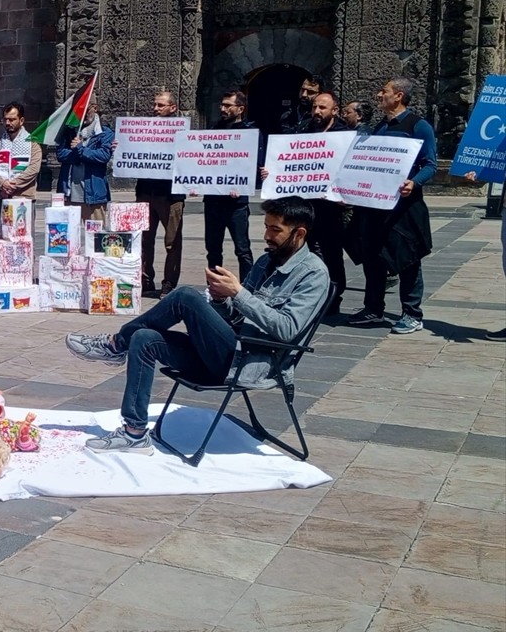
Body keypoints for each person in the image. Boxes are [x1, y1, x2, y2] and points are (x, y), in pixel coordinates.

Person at [65, 196, 329, 454]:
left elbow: (288, 329)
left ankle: (115, 345)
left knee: (185, 296)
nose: (267, 235)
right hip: (224, 350)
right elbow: (234, 316)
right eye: (266, 227)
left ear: (299, 233)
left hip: (248, 363)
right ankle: (134, 433)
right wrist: (220, 299)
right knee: (144, 338)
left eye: (275, 230)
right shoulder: (265, 262)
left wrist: (238, 293)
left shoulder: (313, 274)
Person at [348, 77, 437, 334]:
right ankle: (373, 309)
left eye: (384, 91)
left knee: (407, 259)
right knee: (373, 258)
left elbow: (430, 164)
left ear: (398, 95)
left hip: (404, 208)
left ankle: (412, 313)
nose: (379, 95)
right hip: (375, 207)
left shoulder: (418, 126)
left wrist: (414, 183)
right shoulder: (380, 127)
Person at [287, 92, 350, 313]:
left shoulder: (343, 135)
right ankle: (307, 295)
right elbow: (289, 160)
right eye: (315, 107)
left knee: (331, 252)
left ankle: (334, 296)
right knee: (302, 250)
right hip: (305, 206)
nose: (316, 111)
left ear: (335, 110)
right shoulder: (303, 130)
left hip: (330, 207)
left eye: (322, 107)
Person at [202, 90, 260, 282]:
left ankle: (247, 287)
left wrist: (243, 184)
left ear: (240, 109)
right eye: (222, 104)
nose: (223, 109)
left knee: (242, 249)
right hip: (213, 201)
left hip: (236, 204)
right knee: (213, 250)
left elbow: (255, 164)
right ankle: (214, 288)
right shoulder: (214, 130)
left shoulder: (249, 133)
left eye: (228, 105)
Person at [137, 91, 185, 298]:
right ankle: (145, 279)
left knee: (172, 242)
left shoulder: (182, 132)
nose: (155, 109)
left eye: (161, 105)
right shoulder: (143, 129)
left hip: (171, 195)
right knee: (144, 240)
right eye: (155, 104)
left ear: (173, 108)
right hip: (145, 191)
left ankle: (169, 283)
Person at [0, 102, 42, 225]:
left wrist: (12, 185)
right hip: (0, 197)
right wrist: (2, 184)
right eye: (5, 119)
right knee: (0, 234)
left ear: (21, 120)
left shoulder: (33, 143)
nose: (8, 123)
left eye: (12, 119)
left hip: (23, 197)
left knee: (22, 234)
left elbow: (33, 169)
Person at [56, 121, 114, 224]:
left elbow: (103, 156)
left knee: (96, 232)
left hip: (94, 196)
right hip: (69, 194)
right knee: (67, 232)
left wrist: (80, 149)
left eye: (87, 112)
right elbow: (61, 154)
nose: (84, 114)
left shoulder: (105, 132)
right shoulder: (68, 131)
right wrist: (80, 157)